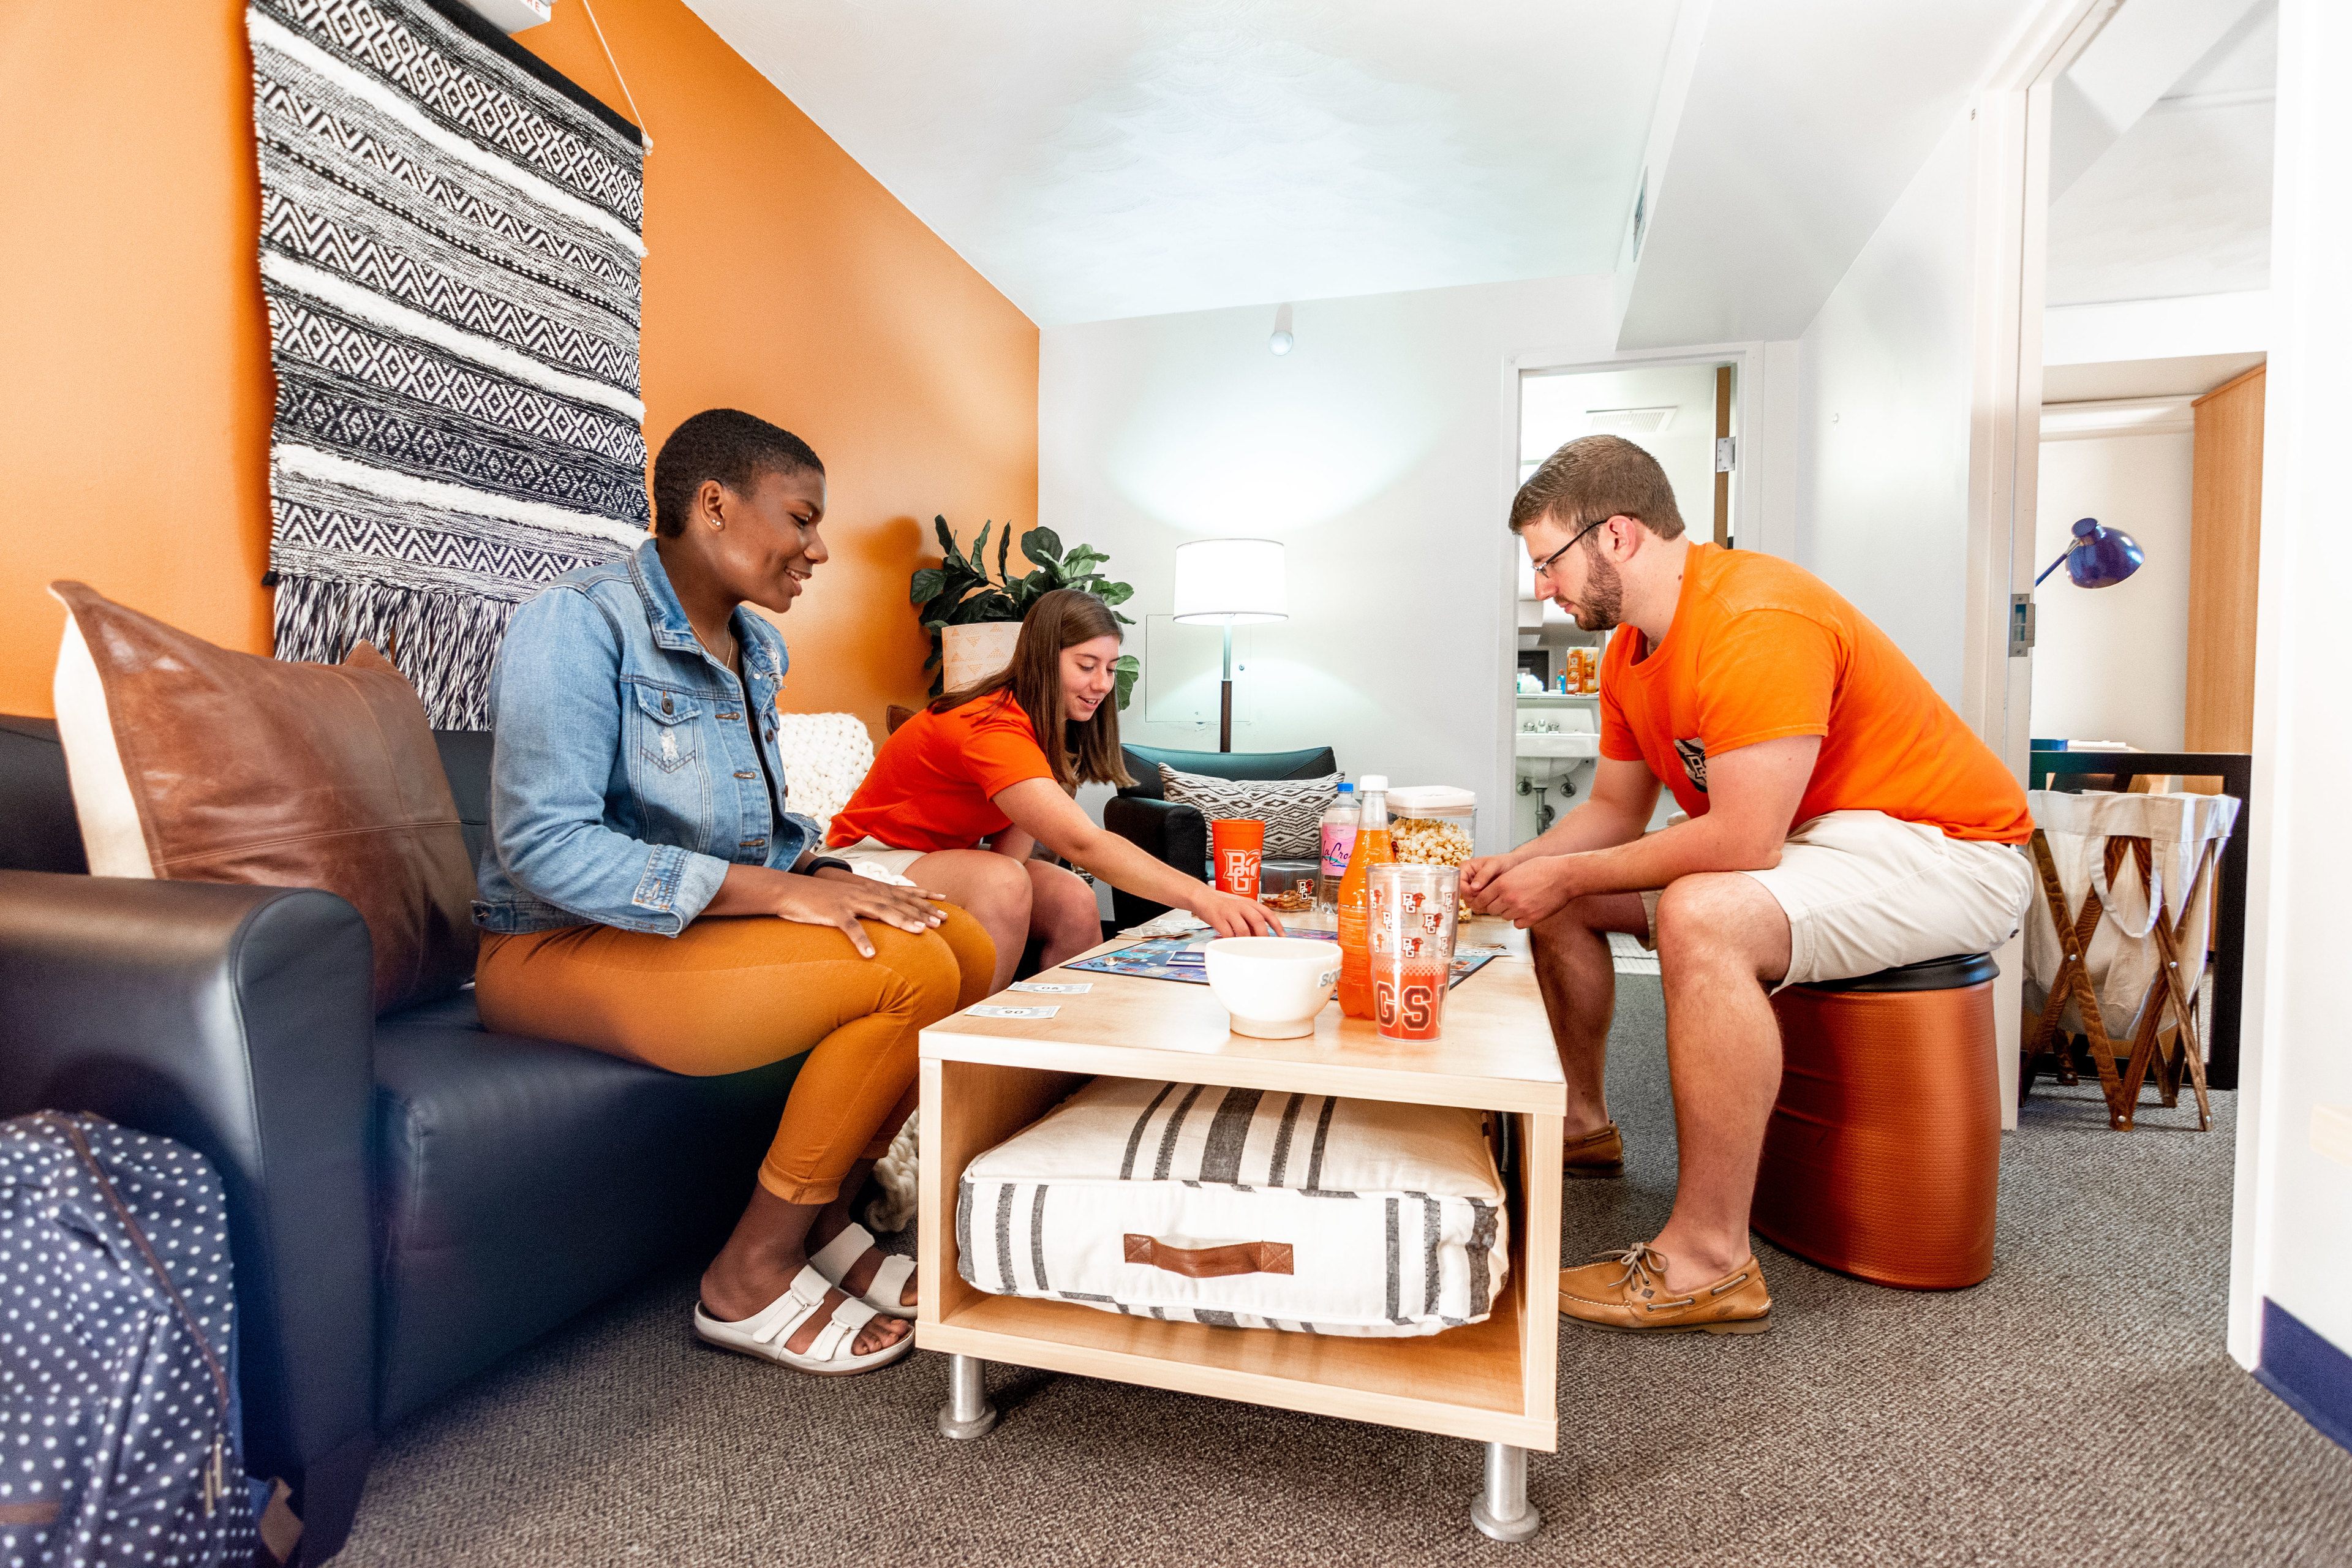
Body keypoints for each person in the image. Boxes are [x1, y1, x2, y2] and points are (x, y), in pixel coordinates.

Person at [1462, 435, 2034, 1335]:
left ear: (1617, 536)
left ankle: (1708, 1260)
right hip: (1819, 843)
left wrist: (1563, 871)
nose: (1543, 588)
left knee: (1703, 914)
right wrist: (1526, 866)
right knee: (1562, 898)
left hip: (1945, 850)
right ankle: (1581, 1124)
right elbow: (1613, 810)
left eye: (1548, 563)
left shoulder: (1755, 616)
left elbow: (1742, 837)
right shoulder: (1629, 654)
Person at [472, 409, 997, 1376]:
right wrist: (772, 894)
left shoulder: (755, 649)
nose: (819, 549)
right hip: (550, 946)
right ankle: (749, 1273)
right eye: (802, 518)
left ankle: (828, 1222)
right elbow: (545, 848)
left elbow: (756, 828)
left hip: (674, 935)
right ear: (713, 505)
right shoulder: (577, 623)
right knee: (910, 971)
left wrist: (821, 877)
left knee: (957, 939)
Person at [825, 587, 1282, 989]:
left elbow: (1011, 855)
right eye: (1087, 666)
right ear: (1044, 659)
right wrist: (1202, 896)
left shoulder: (1042, 728)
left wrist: (1008, 894)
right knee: (1003, 881)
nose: (1102, 684)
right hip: (870, 860)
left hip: (942, 858)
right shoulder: (989, 726)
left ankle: (1062, 1040)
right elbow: (1081, 843)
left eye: (1110, 668)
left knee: (1072, 897)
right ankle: (971, 1041)